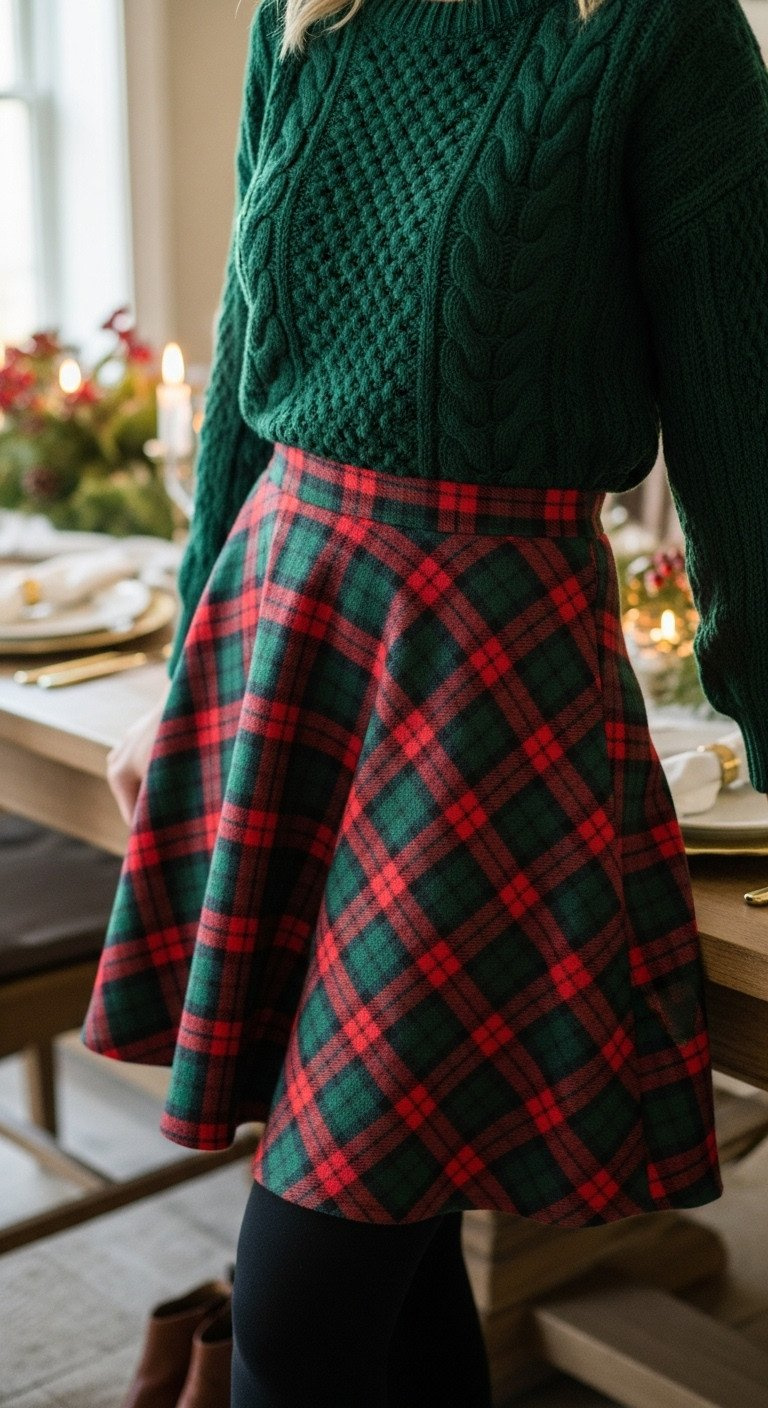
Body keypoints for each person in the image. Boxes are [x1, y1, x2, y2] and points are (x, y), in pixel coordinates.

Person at [84, 0, 768, 1401]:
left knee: (301, 1307)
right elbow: (240, 378)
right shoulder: (310, 15)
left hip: (482, 692)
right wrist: (178, 693)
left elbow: (745, 447)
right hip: (283, 628)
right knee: (394, 1250)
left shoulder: (660, 34)